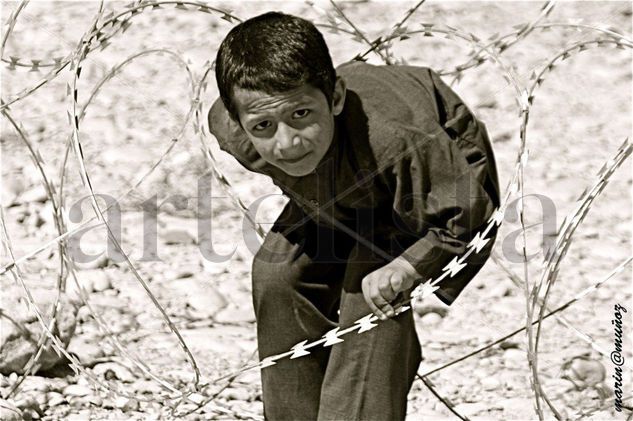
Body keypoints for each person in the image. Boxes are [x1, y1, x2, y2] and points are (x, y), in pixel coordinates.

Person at [208, 11, 500, 421]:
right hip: (342, 179)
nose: (287, 143)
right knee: (277, 273)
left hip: (428, 189)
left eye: (301, 115)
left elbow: (468, 217)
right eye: (263, 126)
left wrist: (408, 267)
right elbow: (299, 165)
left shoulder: (401, 140)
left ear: (336, 97)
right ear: (240, 122)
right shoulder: (236, 132)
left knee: (372, 294)